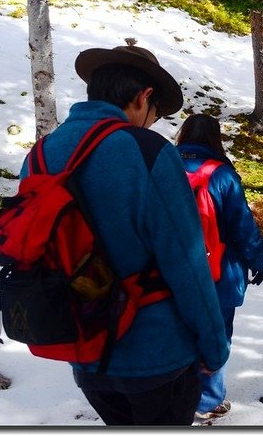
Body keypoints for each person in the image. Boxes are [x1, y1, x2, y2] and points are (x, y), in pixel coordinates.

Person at [19, 42, 230, 425]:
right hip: (157, 353)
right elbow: (185, 261)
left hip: (85, 349)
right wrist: (214, 347)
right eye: (154, 112)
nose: (151, 122)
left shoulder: (41, 154)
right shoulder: (147, 151)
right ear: (143, 96)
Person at [174, 114, 263, 423]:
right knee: (215, 334)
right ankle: (209, 399)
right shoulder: (222, 175)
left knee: (176, 330)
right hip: (216, 272)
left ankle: (174, 393)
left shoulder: (161, 165)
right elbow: (243, 227)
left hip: (167, 271)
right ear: (215, 139)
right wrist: (258, 260)